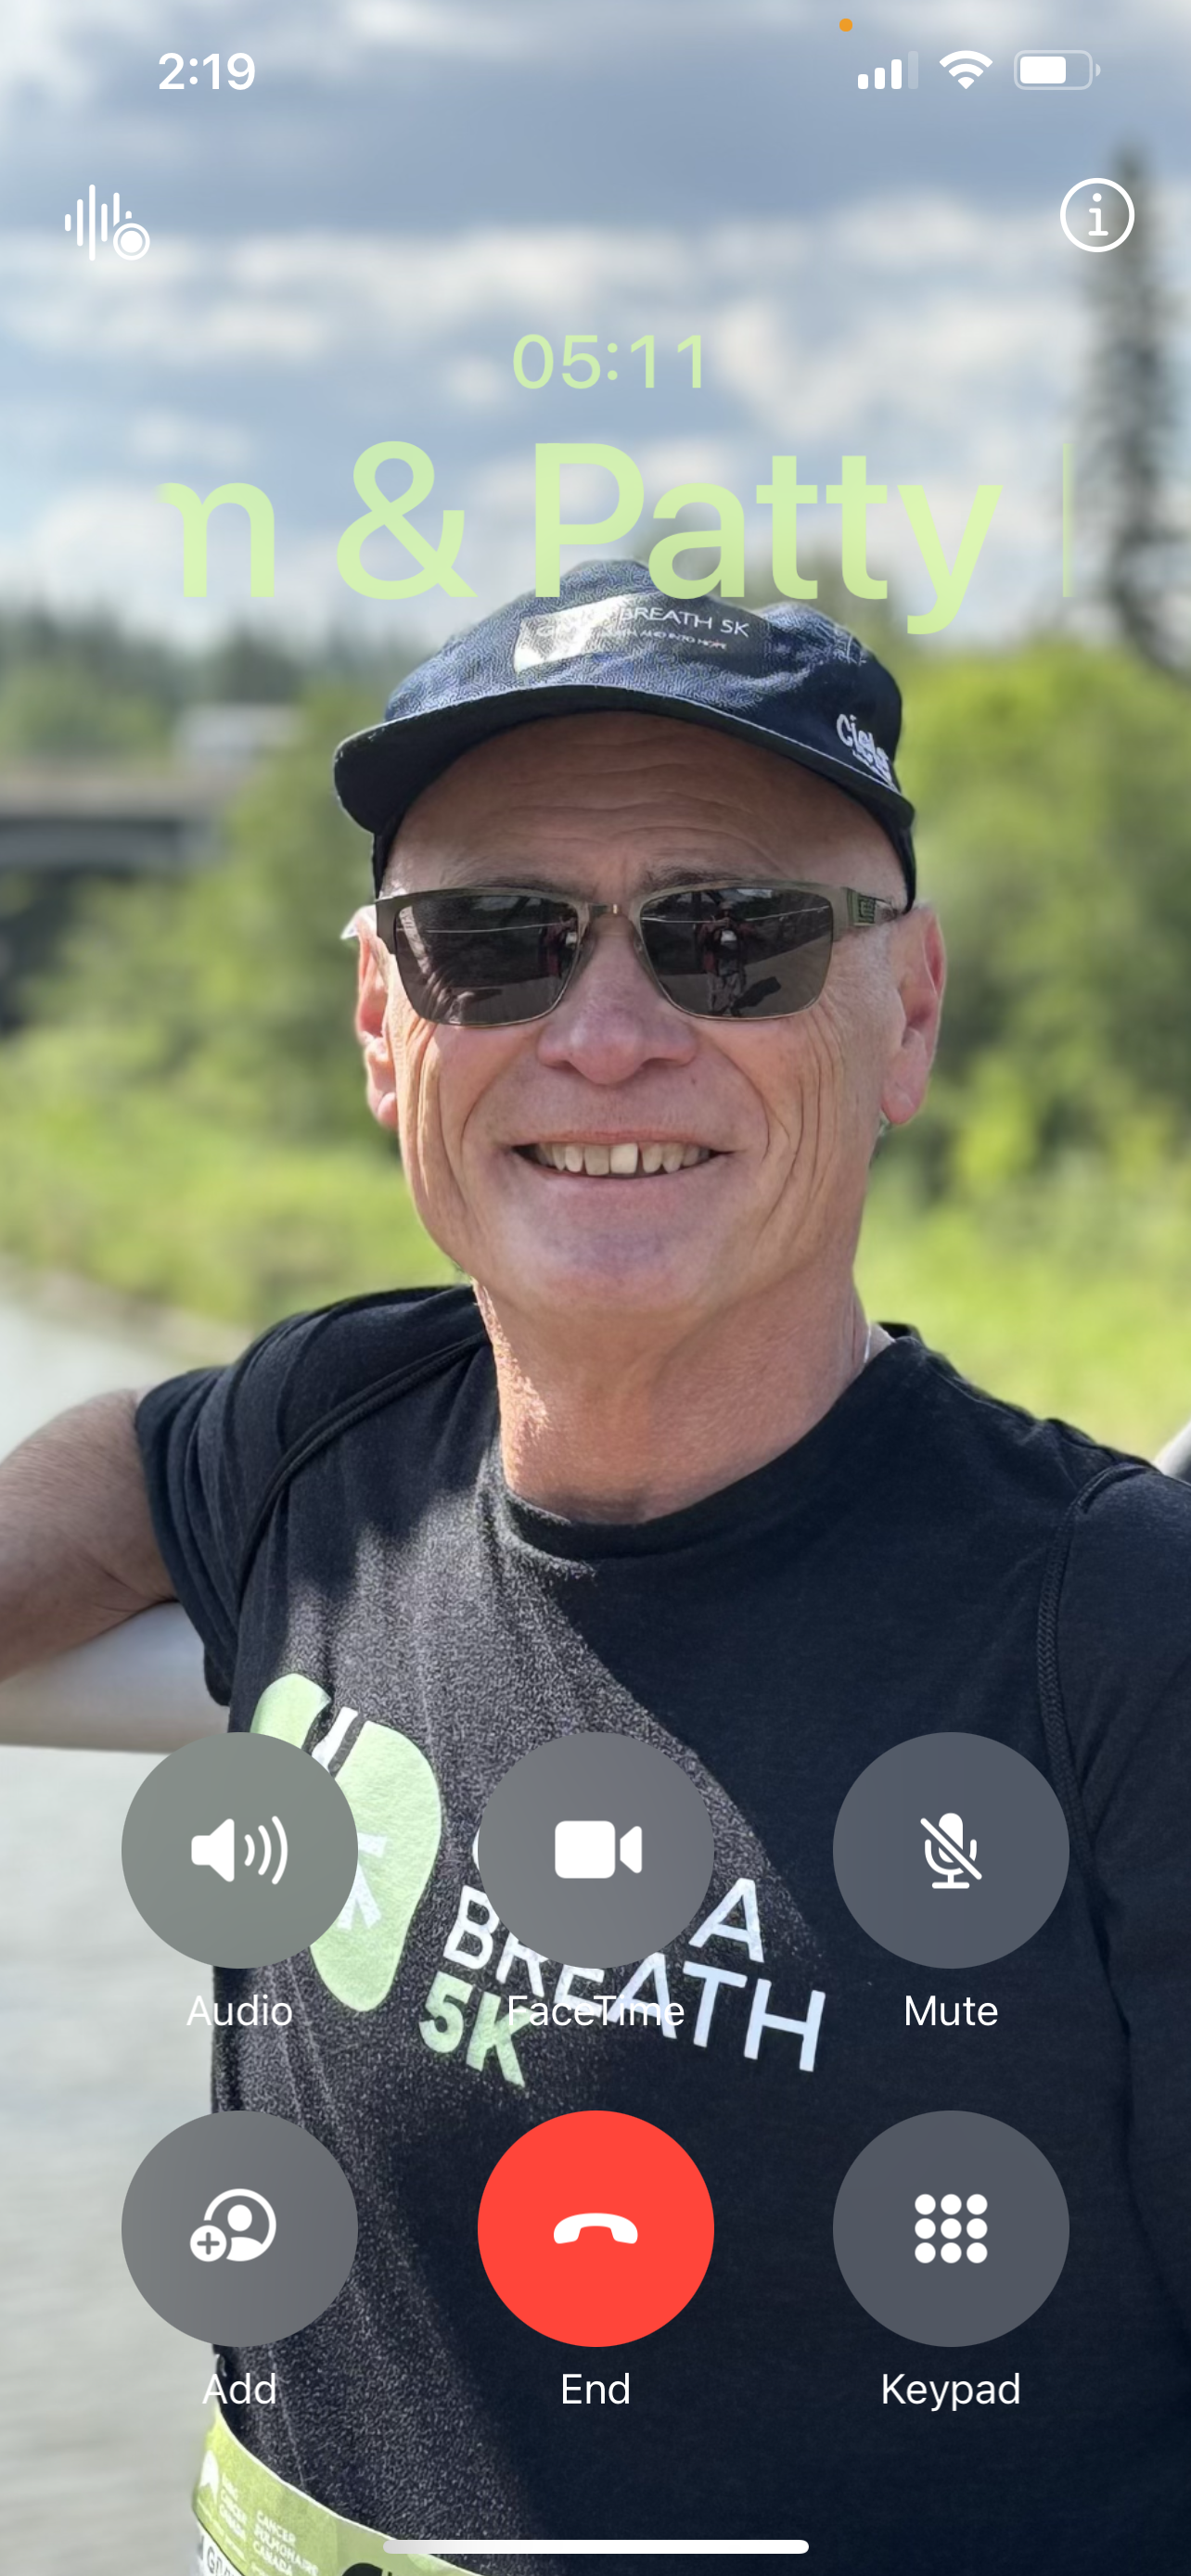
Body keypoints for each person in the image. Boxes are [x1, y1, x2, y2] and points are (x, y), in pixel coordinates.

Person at [1, 558, 1189, 2576]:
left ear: (904, 1012)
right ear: (386, 1027)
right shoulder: (329, 1438)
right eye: (497, 943)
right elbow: (127, 1466)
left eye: (733, 938)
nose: (610, 1034)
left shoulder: (1117, 1632)